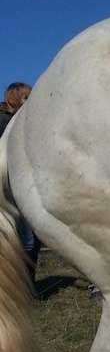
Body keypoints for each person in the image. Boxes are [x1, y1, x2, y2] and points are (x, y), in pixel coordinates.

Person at [0, 82, 41, 287]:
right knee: (26, 239)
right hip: (8, 188)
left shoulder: (24, 122)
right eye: (26, 98)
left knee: (32, 239)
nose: (30, 102)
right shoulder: (5, 122)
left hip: (21, 186)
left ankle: (27, 287)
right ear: (15, 99)